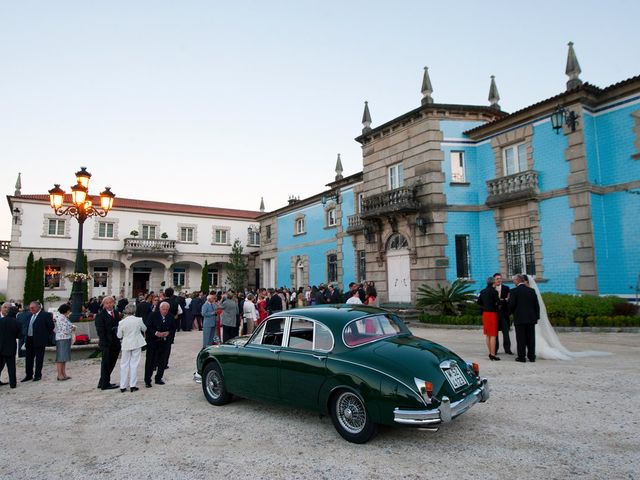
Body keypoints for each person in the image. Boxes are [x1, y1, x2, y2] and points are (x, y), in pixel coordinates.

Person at [525, 276, 611, 360]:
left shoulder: (532, 292)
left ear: (527, 282)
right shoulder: (530, 291)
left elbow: (536, 307)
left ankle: (537, 350)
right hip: (528, 318)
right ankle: (528, 350)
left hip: (531, 319)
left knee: (534, 335)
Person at [509, 274, 540, 363]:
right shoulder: (531, 291)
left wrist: (509, 312)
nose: (513, 282)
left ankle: (521, 357)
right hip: (531, 318)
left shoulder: (514, 291)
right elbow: (536, 305)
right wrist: (536, 317)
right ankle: (532, 356)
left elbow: (512, 305)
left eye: (514, 280)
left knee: (521, 338)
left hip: (520, 318)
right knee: (531, 338)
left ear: (517, 280)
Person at [116, 303, 147, 392]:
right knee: (134, 364)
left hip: (126, 343)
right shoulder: (138, 320)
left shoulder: (122, 322)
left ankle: (123, 385)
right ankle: (133, 385)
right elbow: (144, 329)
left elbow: (119, 335)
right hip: (136, 342)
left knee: (124, 364)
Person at [144, 301, 175, 387]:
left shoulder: (170, 316)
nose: (164, 311)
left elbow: (173, 328)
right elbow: (148, 327)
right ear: (160, 308)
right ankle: (147, 380)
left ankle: (158, 378)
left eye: (166, 309)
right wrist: (156, 333)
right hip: (153, 342)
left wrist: (168, 333)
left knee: (162, 361)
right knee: (150, 362)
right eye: (163, 309)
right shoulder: (153, 315)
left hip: (164, 342)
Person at [22, 301, 54, 382]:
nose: (31, 309)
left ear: (38, 307)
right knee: (28, 358)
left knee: (39, 358)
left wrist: (44, 335)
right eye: (30, 308)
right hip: (29, 339)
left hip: (39, 339)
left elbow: (51, 327)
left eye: (33, 307)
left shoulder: (45, 315)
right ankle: (28, 375)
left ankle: (38, 375)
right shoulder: (29, 315)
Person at [94, 296, 122, 390]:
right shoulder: (100, 315)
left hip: (115, 342)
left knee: (112, 363)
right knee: (106, 364)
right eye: (107, 303)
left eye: (111, 303)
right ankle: (105, 384)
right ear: (104, 304)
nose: (109, 305)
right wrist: (105, 342)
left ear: (113, 303)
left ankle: (102, 381)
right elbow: (100, 331)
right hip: (106, 343)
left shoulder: (116, 313)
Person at [477, 277, 500, 361]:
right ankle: (493, 354)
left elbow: (479, 302)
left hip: (485, 313)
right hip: (492, 313)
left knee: (488, 334)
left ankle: (490, 352)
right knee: (493, 334)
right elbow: (498, 302)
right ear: (493, 283)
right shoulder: (494, 292)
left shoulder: (482, 291)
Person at [0, 302, 22, 388]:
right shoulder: (17, 323)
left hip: (0, 346)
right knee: (11, 367)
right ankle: (13, 384)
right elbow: (19, 336)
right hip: (10, 347)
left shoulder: (1, 321)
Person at [53, 304, 76, 381]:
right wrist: (72, 329)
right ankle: (60, 374)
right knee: (60, 357)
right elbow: (64, 330)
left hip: (65, 338)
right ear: (66, 310)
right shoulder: (60, 318)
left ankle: (63, 373)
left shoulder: (63, 317)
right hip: (62, 338)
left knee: (64, 357)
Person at [493, 273, 512, 355]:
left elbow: (509, 301)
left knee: (506, 332)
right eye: (497, 278)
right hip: (494, 313)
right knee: (495, 333)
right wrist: (503, 300)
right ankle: (495, 349)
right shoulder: (491, 289)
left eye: (500, 278)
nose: (499, 280)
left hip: (504, 313)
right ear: (494, 280)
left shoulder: (506, 288)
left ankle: (507, 349)